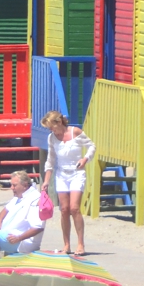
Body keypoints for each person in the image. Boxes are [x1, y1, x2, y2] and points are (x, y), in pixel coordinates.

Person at [42, 109, 95, 255]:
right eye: (49, 129)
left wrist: (85, 159)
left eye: (52, 127)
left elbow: (92, 146)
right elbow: (51, 160)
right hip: (61, 175)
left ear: (59, 123)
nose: (51, 131)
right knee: (64, 209)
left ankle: (81, 244)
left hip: (77, 173)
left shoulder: (75, 132)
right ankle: (66, 245)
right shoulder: (52, 138)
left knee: (74, 208)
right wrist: (46, 180)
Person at [0, 169, 45, 263]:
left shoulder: (35, 199)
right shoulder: (19, 195)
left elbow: (38, 227)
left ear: (25, 185)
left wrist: (19, 238)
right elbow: (5, 210)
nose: (11, 188)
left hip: (23, 241)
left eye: (14, 185)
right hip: (11, 232)